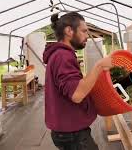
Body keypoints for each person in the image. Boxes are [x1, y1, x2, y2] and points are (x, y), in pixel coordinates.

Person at [43, 12, 112, 150]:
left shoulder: (59, 54)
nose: (87, 36)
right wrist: (99, 66)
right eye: (84, 31)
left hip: (67, 131)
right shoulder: (63, 56)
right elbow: (76, 94)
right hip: (72, 135)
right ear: (69, 31)